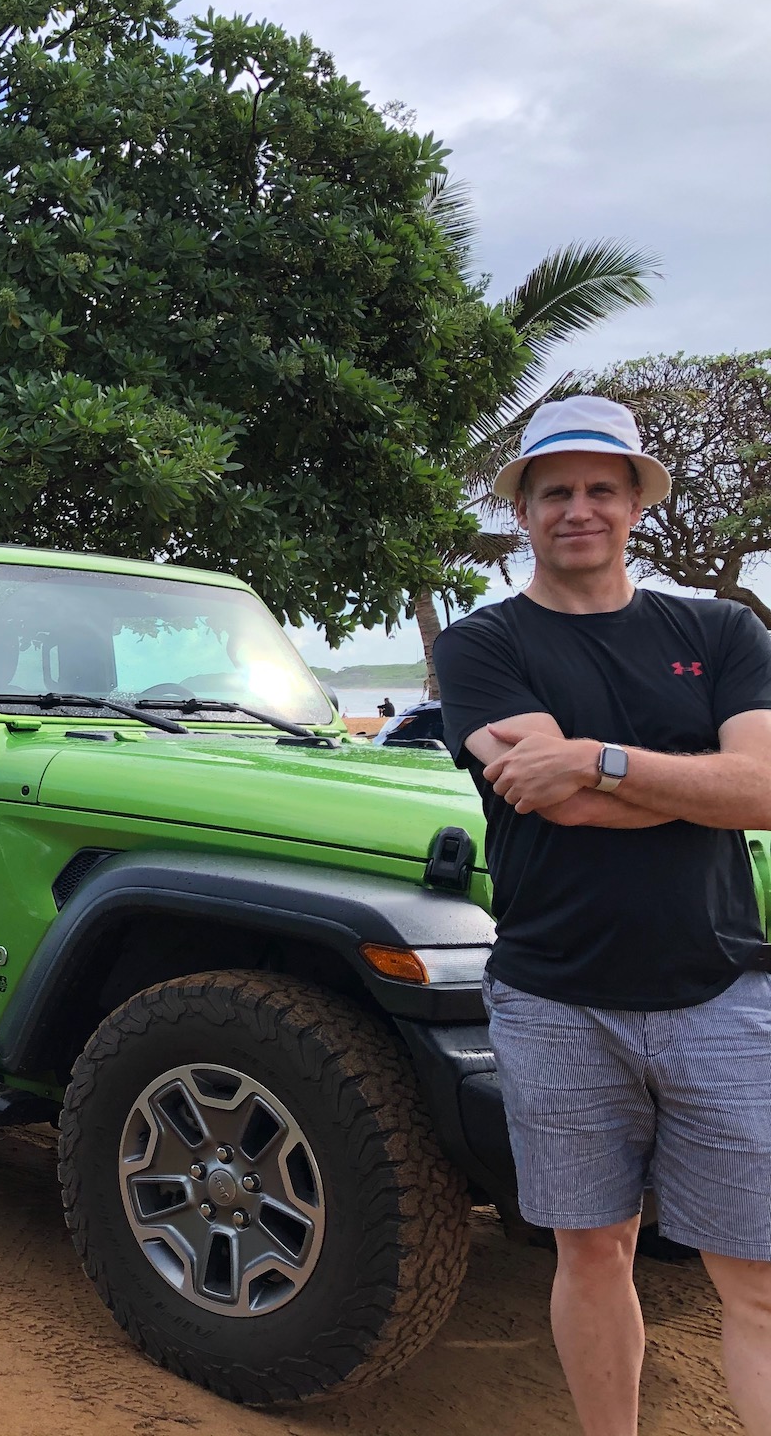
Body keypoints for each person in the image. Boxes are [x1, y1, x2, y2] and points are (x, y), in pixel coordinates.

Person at [433, 394, 771, 1436]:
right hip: (554, 998)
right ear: (524, 514)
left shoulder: (718, 630)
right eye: (555, 493)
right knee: (593, 1249)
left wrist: (598, 756)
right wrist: (678, 780)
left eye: (600, 489)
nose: (579, 509)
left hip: (717, 991)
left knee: (756, 1277)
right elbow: (559, 806)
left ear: (635, 505)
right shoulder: (482, 647)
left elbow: (762, 792)